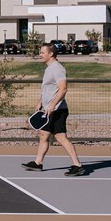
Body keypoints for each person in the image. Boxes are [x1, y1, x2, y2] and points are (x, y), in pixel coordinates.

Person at [22, 42, 86, 176]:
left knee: (61, 137)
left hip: (58, 110)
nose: (40, 55)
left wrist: (52, 105)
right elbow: (48, 89)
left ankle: (78, 165)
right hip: (48, 110)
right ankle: (38, 163)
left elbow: (63, 89)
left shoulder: (57, 69)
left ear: (50, 54)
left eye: (42, 52)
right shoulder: (49, 68)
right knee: (43, 135)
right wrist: (40, 102)